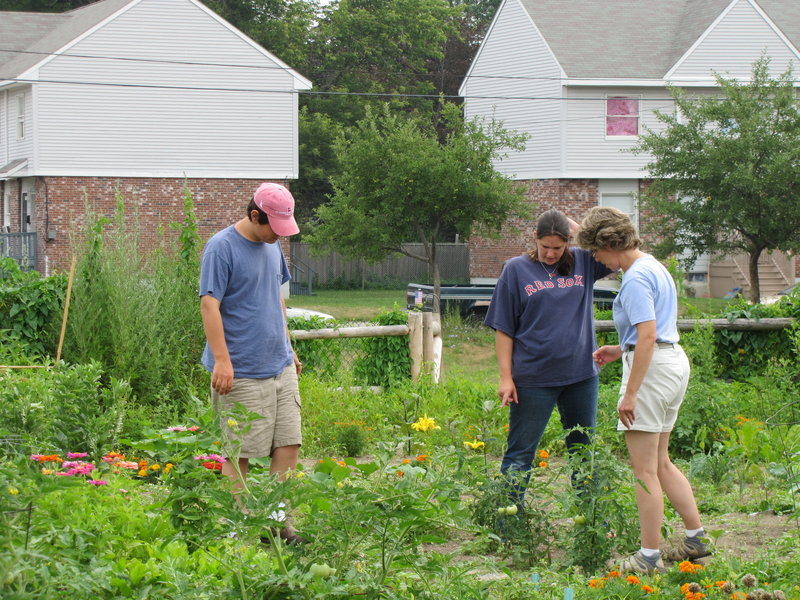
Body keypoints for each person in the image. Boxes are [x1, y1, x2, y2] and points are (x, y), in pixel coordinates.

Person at [577, 206, 710, 574]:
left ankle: (648, 558)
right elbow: (653, 330)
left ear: (608, 243)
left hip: (652, 371)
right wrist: (621, 348)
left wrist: (631, 393)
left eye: (595, 250)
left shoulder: (634, 279)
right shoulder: (653, 265)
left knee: (643, 470)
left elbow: (648, 334)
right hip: (672, 363)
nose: (596, 258)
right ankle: (696, 539)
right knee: (661, 461)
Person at [484, 209, 613, 509]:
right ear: (535, 239)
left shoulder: (584, 261)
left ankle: (590, 524)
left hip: (581, 376)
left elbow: (618, 250)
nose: (552, 254)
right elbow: (504, 328)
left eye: (558, 247)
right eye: (546, 247)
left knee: (583, 451)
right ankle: (508, 524)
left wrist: (581, 231)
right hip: (533, 380)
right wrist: (506, 377)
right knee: (520, 454)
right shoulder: (516, 270)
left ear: (569, 242)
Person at [199, 181, 305, 544]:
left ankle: (276, 526)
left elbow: (275, 298)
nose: (278, 236)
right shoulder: (221, 248)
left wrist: (288, 347)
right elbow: (208, 305)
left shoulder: (273, 248)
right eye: (273, 228)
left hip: (279, 365)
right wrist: (222, 361)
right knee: (239, 451)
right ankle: (238, 528)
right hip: (240, 369)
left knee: (288, 444)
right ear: (254, 214)